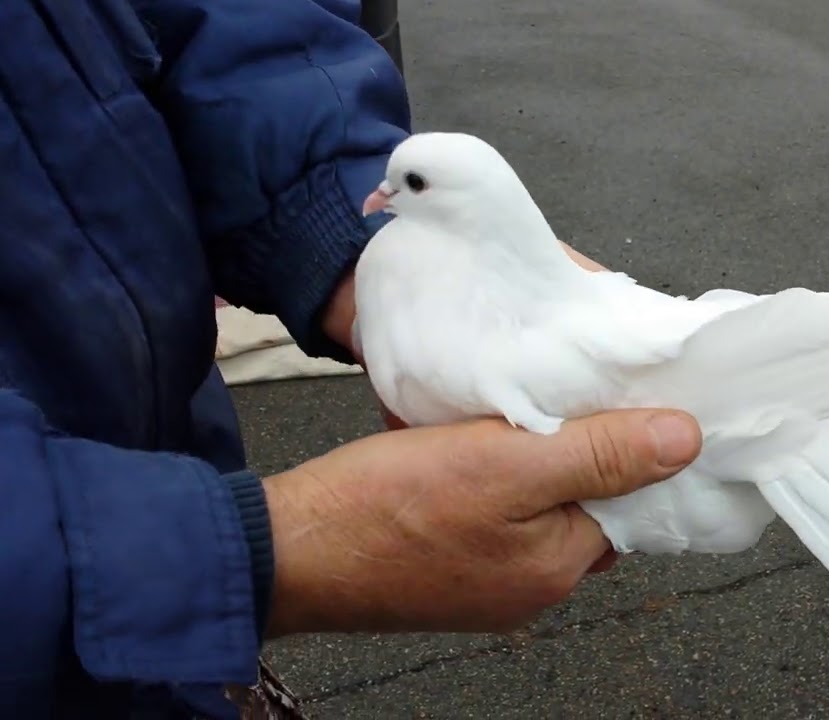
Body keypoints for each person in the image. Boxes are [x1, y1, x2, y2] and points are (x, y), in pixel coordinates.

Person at [0, 0, 704, 717]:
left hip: (165, 509)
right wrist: (270, 547)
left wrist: (329, 219)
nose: (384, 197)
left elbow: (220, 27)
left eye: (408, 188)